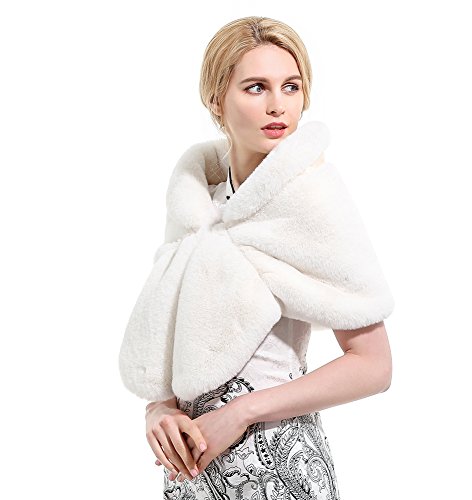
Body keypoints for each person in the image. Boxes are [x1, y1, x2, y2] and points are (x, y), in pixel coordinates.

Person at [133, 16, 393, 500]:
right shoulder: (197, 206)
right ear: (216, 99)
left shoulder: (313, 201)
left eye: (291, 87)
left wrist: (242, 413)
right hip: (191, 470)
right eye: (256, 87)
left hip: (282, 470)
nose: (278, 105)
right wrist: (159, 409)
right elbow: (172, 336)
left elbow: (374, 365)